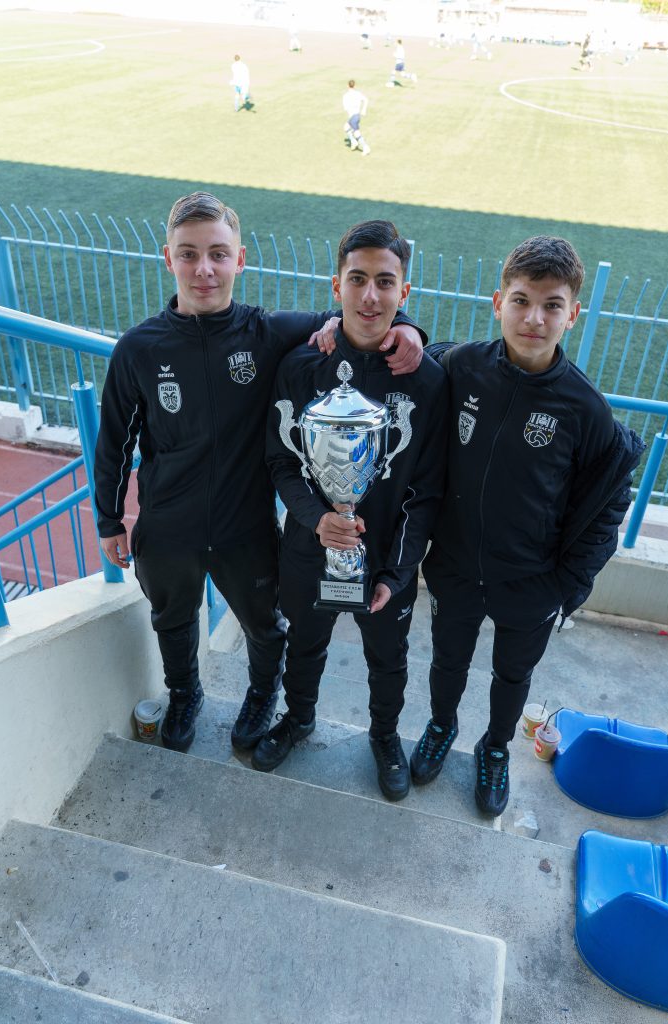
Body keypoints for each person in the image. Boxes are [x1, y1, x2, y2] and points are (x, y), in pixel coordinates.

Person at [94, 193, 426, 757]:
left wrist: (410, 327)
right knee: (172, 619)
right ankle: (184, 694)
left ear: (240, 260)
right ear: (168, 258)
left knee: (264, 624)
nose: (204, 269)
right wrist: (108, 519)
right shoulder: (138, 349)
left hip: (244, 527)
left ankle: (261, 694)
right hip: (167, 525)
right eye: (188, 254)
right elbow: (114, 442)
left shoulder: (269, 332)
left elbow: (359, 315)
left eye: (218, 254)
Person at [410, 236, 645, 817]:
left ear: (573, 314)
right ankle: (441, 726)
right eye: (521, 301)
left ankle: (494, 748)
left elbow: (608, 505)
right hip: (455, 565)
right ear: (498, 303)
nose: (534, 318)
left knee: (512, 675)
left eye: (551, 305)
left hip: (531, 581)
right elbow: (403, 361)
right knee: (447, 661)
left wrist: (564, 586)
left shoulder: (584, 408)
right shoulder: (461, 367)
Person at [252, 220, 449, 802]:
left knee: (387, 657)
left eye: (385, 282)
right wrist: (317, 519)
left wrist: (398, 571)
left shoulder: (425, 378)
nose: (369, 296)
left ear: (403, 293)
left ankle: (384, 736)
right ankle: (299, 717)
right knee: (304, 642)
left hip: (384, 558)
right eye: (357, 279)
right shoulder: (300, 365)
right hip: (309, 547)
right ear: (336, 286)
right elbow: (281, 462)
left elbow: (427, 491)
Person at [342, 80, 371, 156]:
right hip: (357, 115)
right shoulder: (358, 93)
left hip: (353, 117)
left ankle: (365, 147)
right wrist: (363, 110)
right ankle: (353, 141)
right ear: (354, 86)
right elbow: (366, 100)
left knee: (356, 133)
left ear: (348, 85)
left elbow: (346, 108)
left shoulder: (345, 96)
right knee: (346, 127)